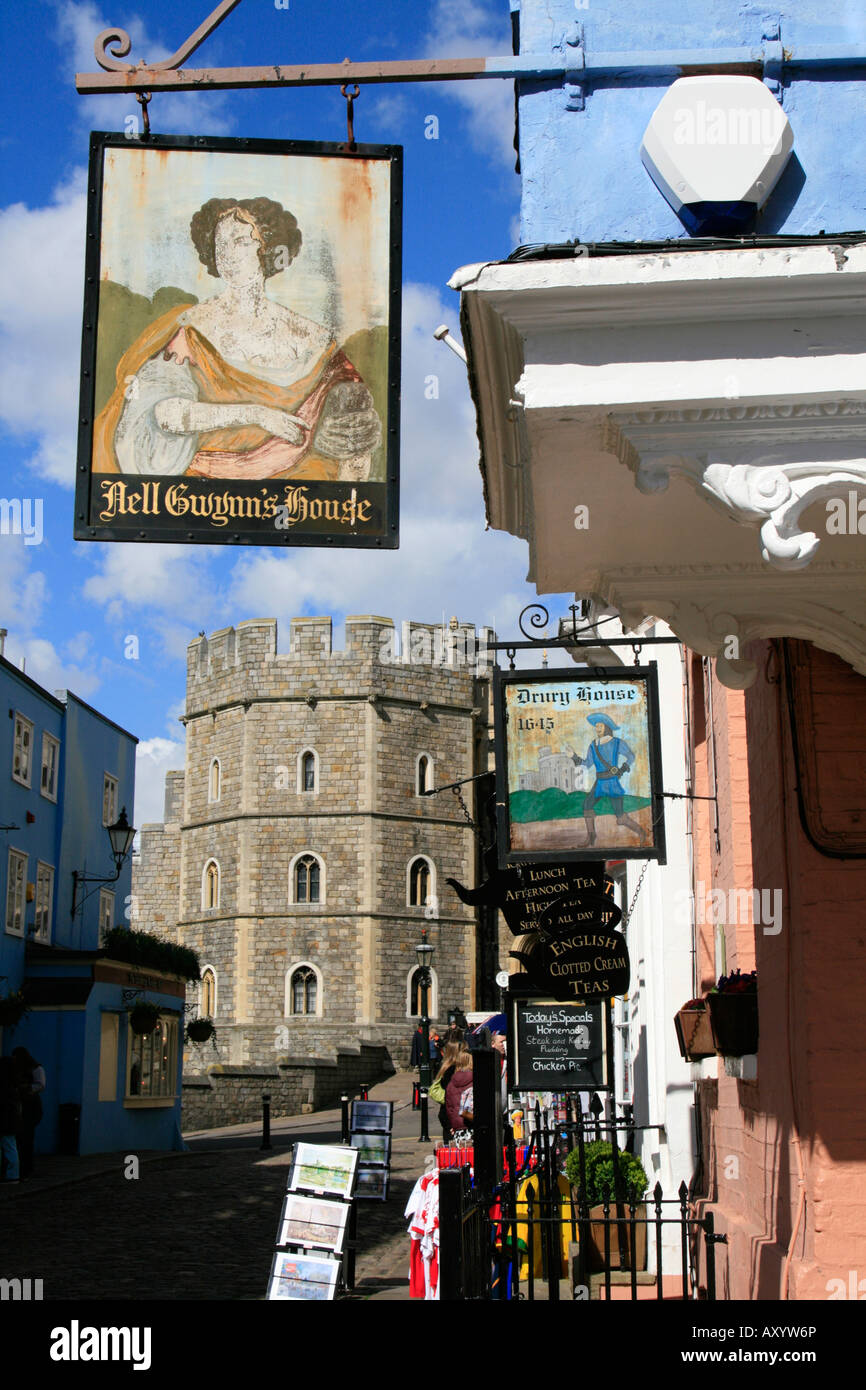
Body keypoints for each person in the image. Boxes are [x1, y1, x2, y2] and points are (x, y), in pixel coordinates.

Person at [95, 197, 382, 483]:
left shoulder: (312, 339)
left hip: (299, 498)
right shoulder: (191, 328)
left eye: (241, 242)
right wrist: (257, 414)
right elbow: (165, 414)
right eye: (221, 244)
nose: (228, 253)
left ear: (266, 249)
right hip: (205, 498)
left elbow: (354, 431)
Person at [562, 712, 647, 847]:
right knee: (587, 806)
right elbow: (587, 764)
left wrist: (622, 769)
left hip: (612, 782)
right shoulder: (593, 745)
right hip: (599, 783)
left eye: (600, 726)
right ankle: (591, 836)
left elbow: (630, 756)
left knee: (620, 817)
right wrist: (573, 756)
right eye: (596, 726)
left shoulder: (617, 742)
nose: (597, 729)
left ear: (606, 727)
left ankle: (641, 831)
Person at [12, 1048, 45, 1179]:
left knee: (27, 1137)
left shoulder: (36, 1068)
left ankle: (27, 1166)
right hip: (21, 1104)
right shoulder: (18, 1069)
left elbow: (41, 1085)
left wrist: (27, 1089)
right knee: (21, 1137)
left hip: (31, 1105)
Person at [444, 1046, 474, 1137]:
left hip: (458, 1128)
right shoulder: (475, 1080)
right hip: (472, 1124)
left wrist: (453, 1124)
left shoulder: (451, 1084)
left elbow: (449, 1108)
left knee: (461, 1151)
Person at [0, 1057, 21, 1183]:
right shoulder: (13, 1085)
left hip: (5, 1121)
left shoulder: (4, 1086)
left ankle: (12, 1175)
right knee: (10, 1147)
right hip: (10, 1121)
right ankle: (12, 1174)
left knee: (9, 1147)